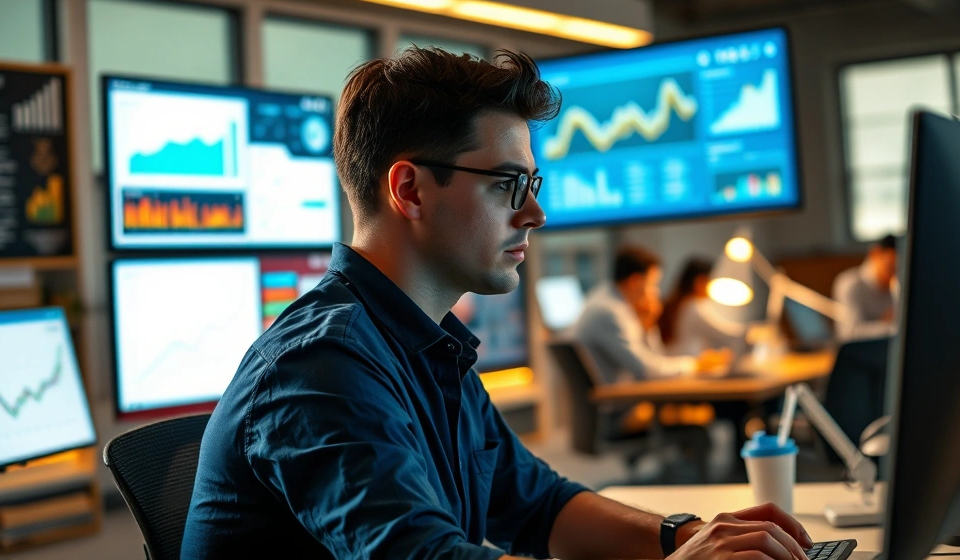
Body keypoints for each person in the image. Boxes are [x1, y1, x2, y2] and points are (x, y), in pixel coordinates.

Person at [182, 47, 814, 560]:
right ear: (410, 190)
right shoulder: (320, 365)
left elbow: (541, 506)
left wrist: (688, 538)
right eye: (510, 185)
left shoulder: (427, 345)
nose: (535, 213)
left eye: (532, 185)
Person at [574, 247, 732, 385]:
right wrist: (696, 365)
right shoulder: (610, 312)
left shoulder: (609, 300)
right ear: (635, 282)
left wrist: (649, 324)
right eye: (653, 284)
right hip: (618, 405)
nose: (656, 292)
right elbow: (646, 370)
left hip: (619, 397)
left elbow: (654, 359)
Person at [659, 257, 747, 357]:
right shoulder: (694, 307)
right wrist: (753, 332)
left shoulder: (679, 303)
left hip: (677, 361)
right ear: (700, 282)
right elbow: (726, 334)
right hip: (687, 363)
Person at [832, 234, 899, 341]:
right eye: (890, 267)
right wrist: (893, 327)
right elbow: (850, 333)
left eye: (897, 270)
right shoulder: (849, 284)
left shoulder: (893, 286)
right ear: (875, 254)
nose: (893, 275)